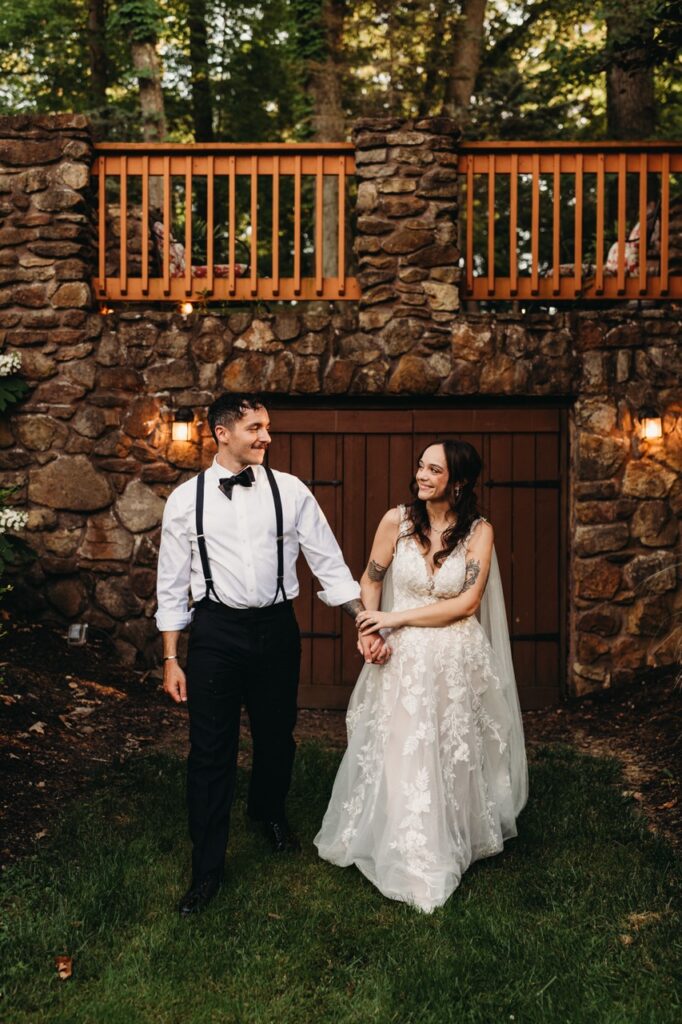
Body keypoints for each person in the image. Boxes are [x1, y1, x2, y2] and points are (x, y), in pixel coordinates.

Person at [156, 393, 389, 916]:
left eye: (267, 427)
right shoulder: (184, 500)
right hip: (214, 632)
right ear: (222, 432)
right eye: (255, 428)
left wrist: (361, 620)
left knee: (276, 734)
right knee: (209, 751)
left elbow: (328, 563)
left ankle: (268, 811)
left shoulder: (291, 491)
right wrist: (172, 656)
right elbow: (171, 583)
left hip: (276, 628)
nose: (266, 436)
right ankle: (207, 868)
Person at [314, 439, 528, 913]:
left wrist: (394, 619)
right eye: (421, 466)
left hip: (455, 657)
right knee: (401, 746)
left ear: (460, 481)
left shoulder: (479, 531)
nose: (422, 475)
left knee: (452, 749)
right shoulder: (398, 521)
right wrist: (368, 627)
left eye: (435, 469)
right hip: (402, 657)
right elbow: (370, 579)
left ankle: (455, 837)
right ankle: (405, 845)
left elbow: (466, 604)